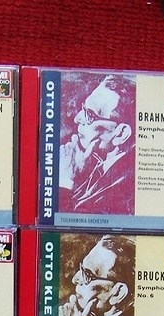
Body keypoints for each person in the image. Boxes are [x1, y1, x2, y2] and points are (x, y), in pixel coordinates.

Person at [58, 74, 136, 215]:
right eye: (83, 108)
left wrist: (64, 181)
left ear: (121, 133)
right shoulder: (92, 164)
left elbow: (68, 223)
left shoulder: (123, 192)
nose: (77, 118)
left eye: (90, 114)